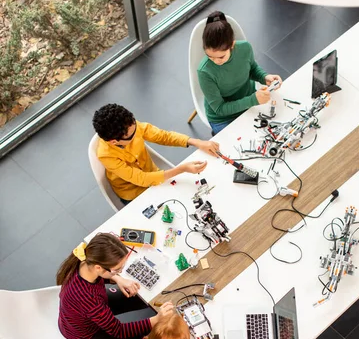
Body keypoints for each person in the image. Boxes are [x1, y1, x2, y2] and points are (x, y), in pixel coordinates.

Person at [57, 232, 174, 339]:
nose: (119, 272)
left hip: (92, 307)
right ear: (98, 267)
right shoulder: (88, 299)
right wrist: (155, 320)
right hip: (85, 333)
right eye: (117, 269)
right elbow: (118, 330)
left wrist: (118, 279)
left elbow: (102, 276)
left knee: (135, 297)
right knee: (135, 338)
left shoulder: (85, 261)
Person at [92, 103, 220, 204]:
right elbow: (141, 179)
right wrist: (182, 169)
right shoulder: (106, 155)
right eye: (132, 134)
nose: (137, 131)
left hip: (155, 175)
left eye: (135, 125)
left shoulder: (132, 127)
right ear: (114, 142)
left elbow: (164, 136)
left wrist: (196, 142)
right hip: (133, 193)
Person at [197, 11, 283, 135]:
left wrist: (264, 77)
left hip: (249, 103)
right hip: (223, 118)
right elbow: (219, 109)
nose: (215, 61)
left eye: (221, 57)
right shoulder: (204, 72)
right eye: (209, 56)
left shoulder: (245, 48)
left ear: (232, 44)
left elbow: (252, 69)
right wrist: (253, 100)